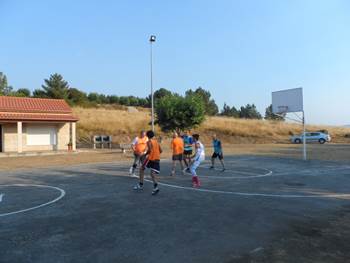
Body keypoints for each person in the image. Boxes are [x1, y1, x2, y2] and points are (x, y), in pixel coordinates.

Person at [133, 130, 162, 195]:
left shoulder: (149, 141)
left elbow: (150, 150)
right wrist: (156, 153)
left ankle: (140, 184)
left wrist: (144, 154)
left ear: (147, 136)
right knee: (152, 174)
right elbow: (160, 150)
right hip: (157, 159)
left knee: (141, 169)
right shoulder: (156, 142)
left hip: (151, 158)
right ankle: (156, 187)